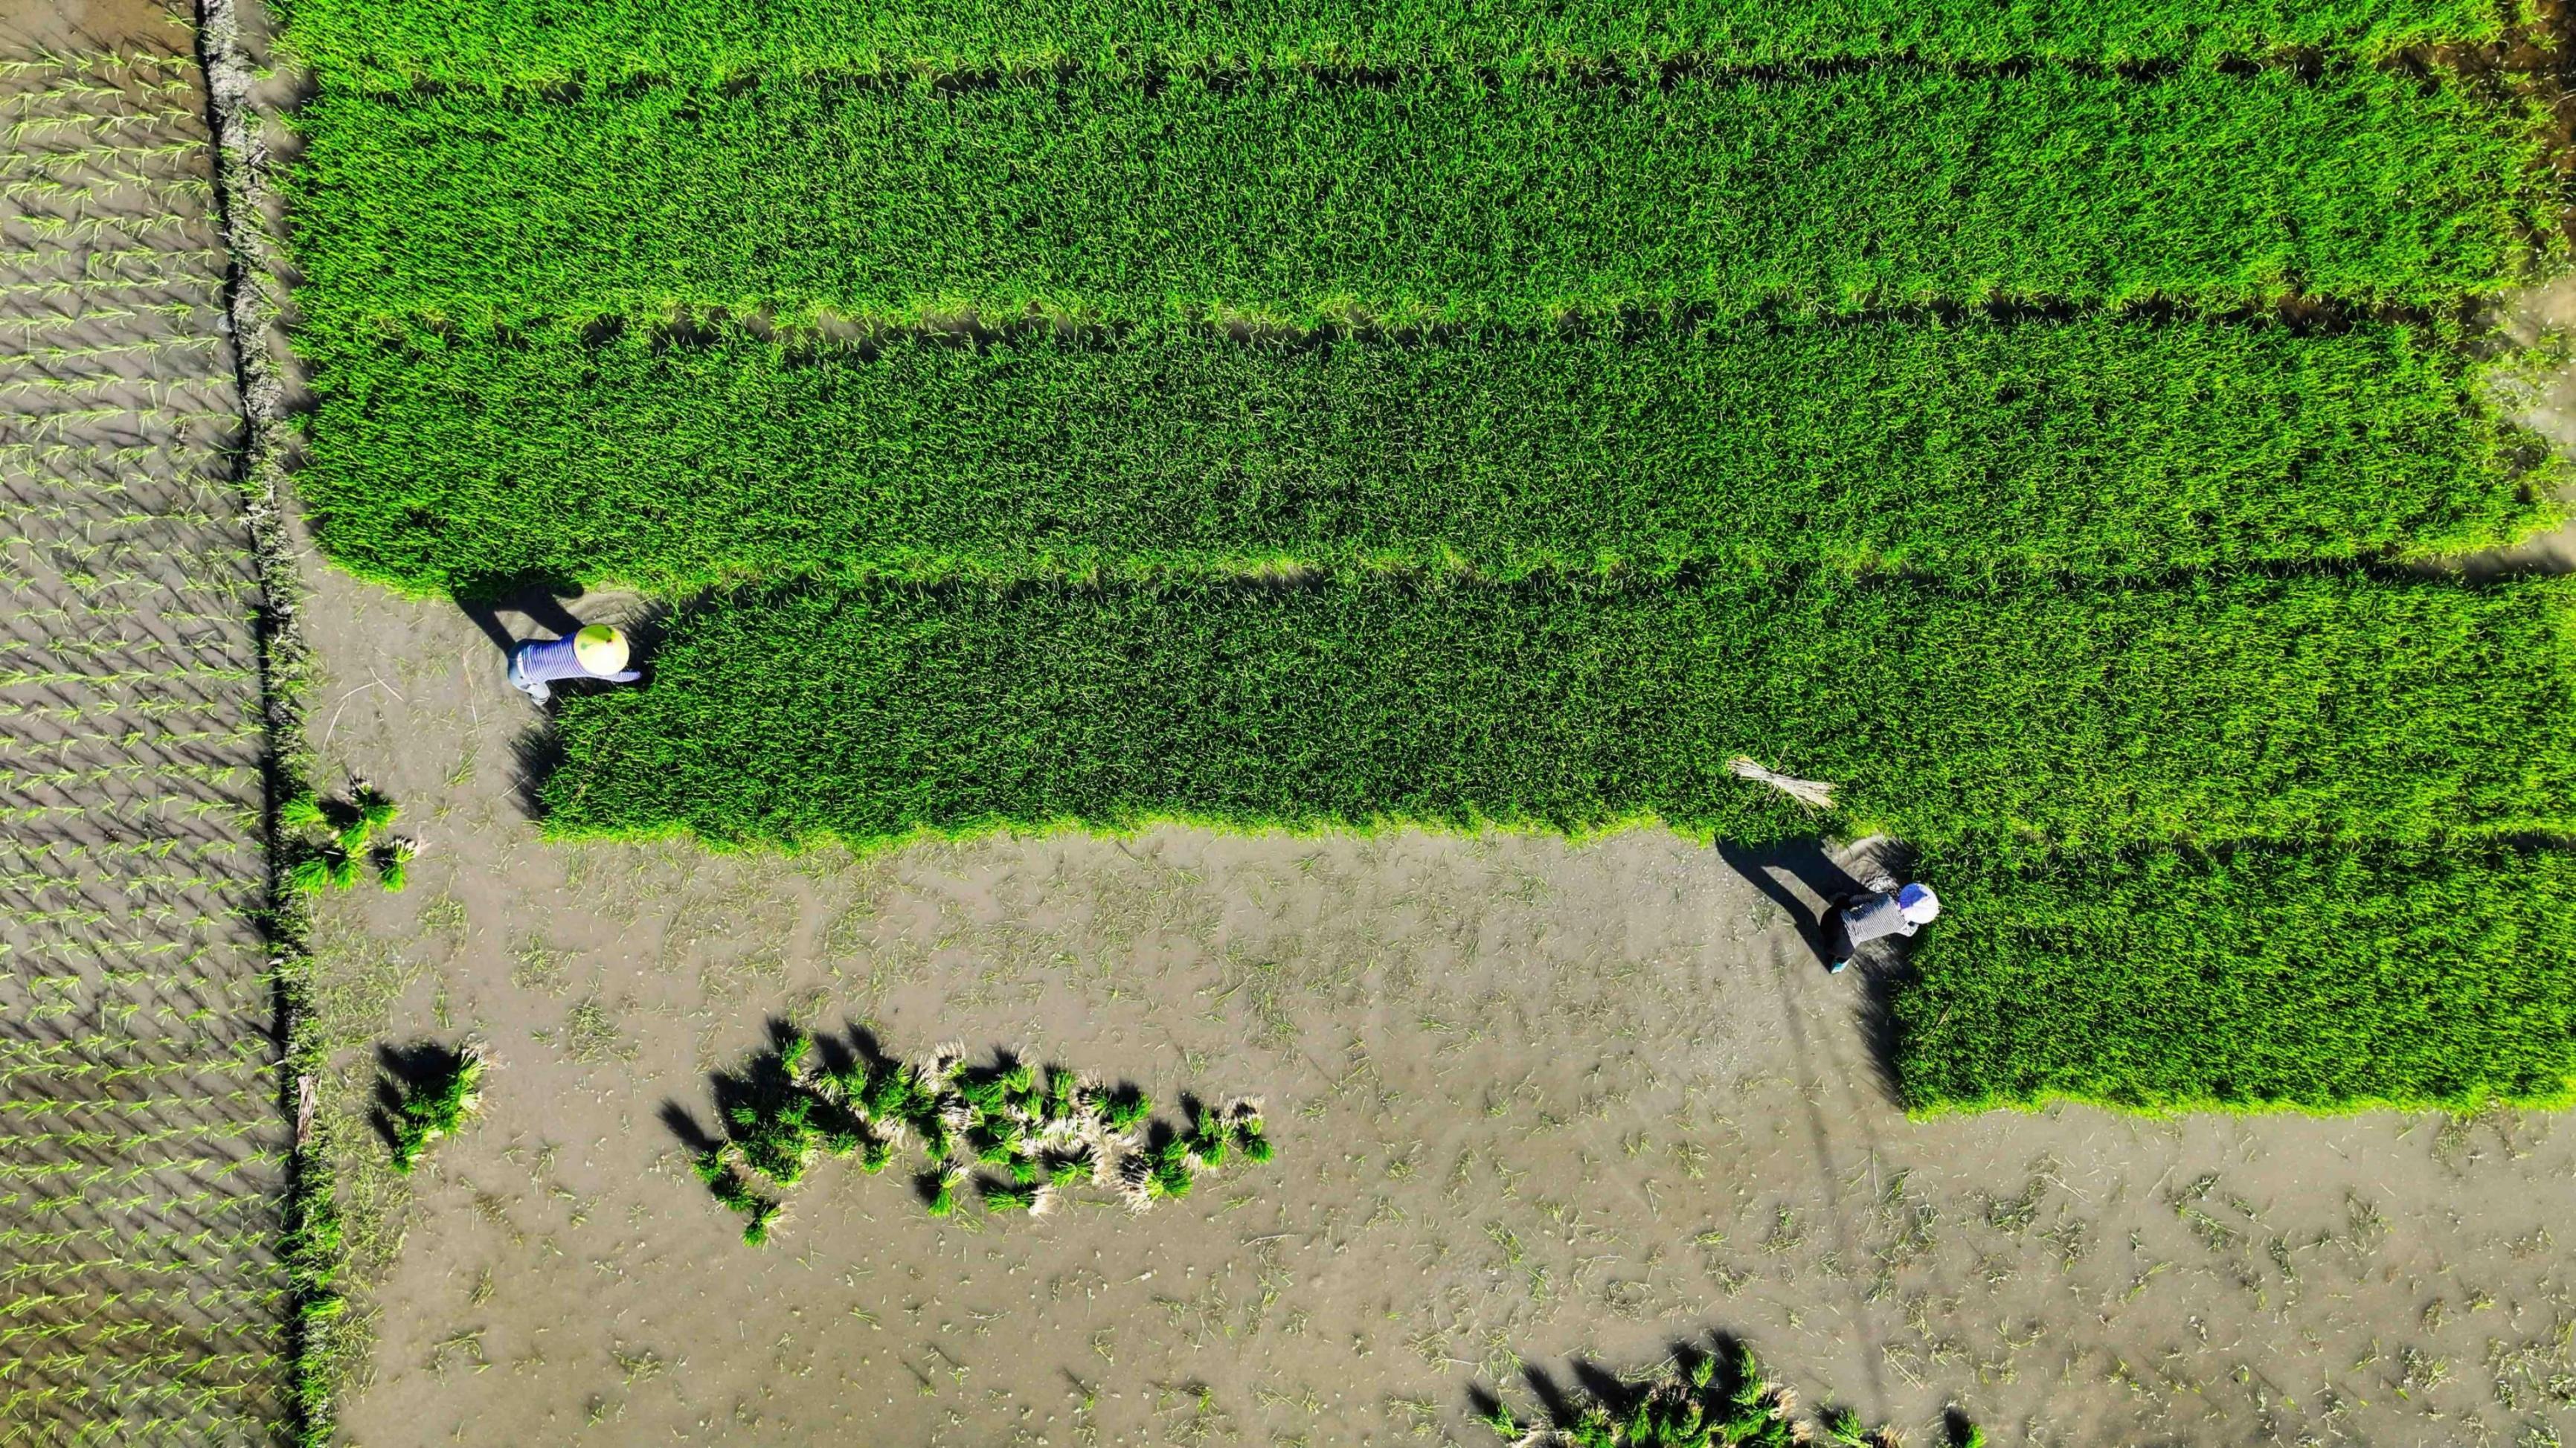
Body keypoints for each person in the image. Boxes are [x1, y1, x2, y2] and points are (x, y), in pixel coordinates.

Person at [507, 623, 642, 704]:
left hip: (522, 647)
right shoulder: (592, 669)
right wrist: (639, 675)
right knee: (544, 695)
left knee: (552, 648)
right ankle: (538, 701)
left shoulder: (575, 637)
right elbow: (619, 677)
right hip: (521, 676)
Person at [1825, 881, 1939, 974]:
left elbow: (1860, 899)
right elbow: (1910, 932)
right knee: (1843, 957)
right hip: (1843, 946)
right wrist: (1915, 924)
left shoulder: (1885, 898)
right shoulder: (1901, 925)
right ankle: (1837, 967)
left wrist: (1848, 902)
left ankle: (1834, 898)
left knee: (1845, 901)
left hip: (1832, 918)